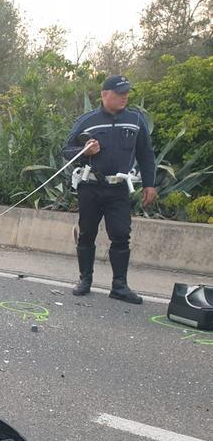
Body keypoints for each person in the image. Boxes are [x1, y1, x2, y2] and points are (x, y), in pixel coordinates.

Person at [62, 75, 157, 304]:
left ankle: (120, 286)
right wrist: (85, 151)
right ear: (105, 95)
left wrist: (149, 184)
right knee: (87, 233)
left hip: (118, 189)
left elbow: (146, 154)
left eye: (126, 93)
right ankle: (85, 280)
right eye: (119, 93)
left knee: (121, 235)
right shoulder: (88, 120)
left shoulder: (135, 120)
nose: (124, 97)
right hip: (90, 186)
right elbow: (67, 150)